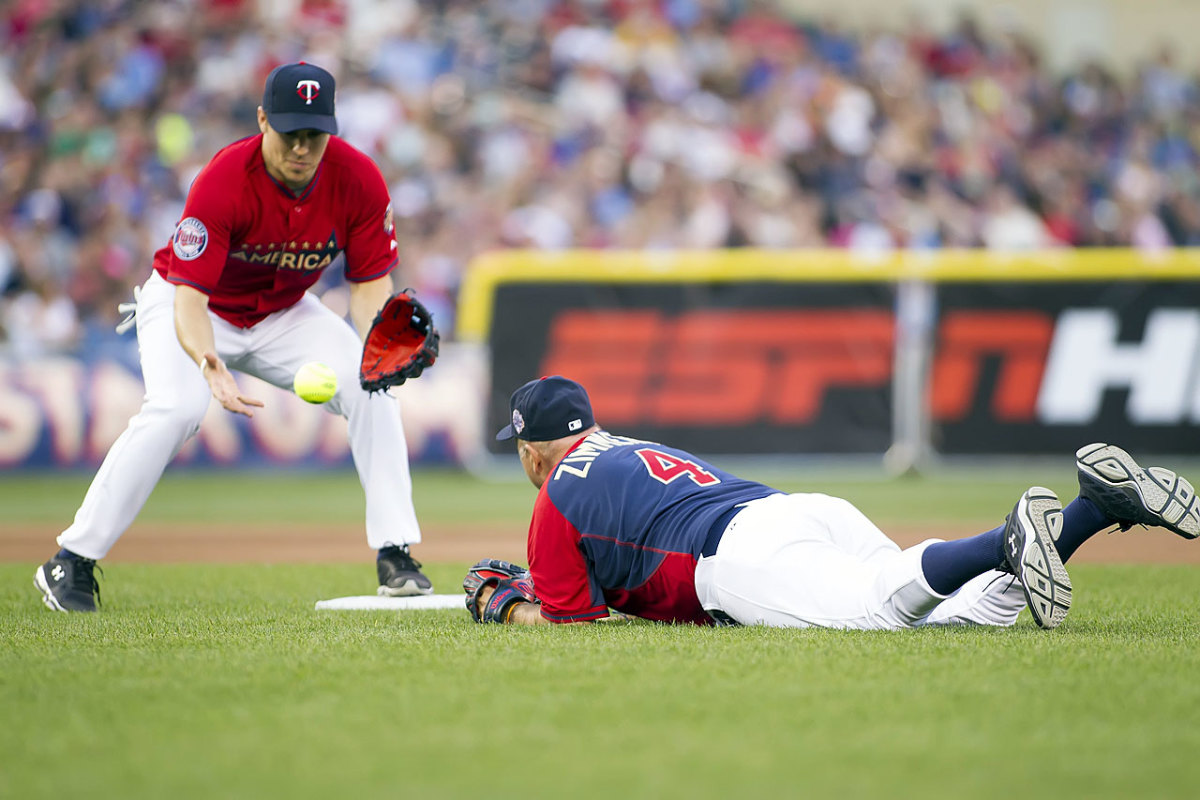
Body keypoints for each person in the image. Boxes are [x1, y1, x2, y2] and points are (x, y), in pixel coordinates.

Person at [35, 62, 432, 612]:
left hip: (283, 313)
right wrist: (208, 362)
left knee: (372, 388)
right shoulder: (224, 179)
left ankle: (396, 554)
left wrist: (380, 342)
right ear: (263, 119)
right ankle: (71, 560)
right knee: (177, 409)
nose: (301, 146)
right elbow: (191, 300)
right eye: (290, 132)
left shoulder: (358, 178)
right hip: (192, 305)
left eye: (314, 134)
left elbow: (369, 288)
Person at [475, 375, 1199, 628]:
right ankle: (1096, 509)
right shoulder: (625, 445)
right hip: (798, 513)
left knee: (882, 608)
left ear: (534, 449)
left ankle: (1007, 536)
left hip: (738, 562)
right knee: (950, 616)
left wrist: (509, 607)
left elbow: (574, 626)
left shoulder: (552, 505)